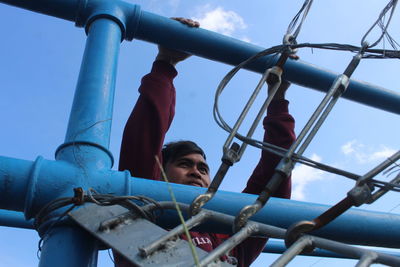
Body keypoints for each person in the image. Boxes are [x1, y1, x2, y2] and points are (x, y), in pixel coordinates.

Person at [117, 18, 295, 267]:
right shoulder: (145, 212)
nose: (196, 171)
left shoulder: (229, 234)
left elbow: (273, 184)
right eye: (184, 164)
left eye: (203, 168)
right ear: (161, 173)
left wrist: (277, 98)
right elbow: (144, 139)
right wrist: (165, 64)